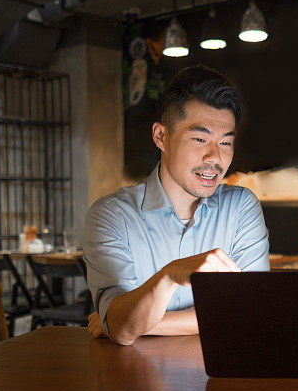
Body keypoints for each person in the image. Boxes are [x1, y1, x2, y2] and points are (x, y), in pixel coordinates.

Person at [84, 65, 270, 345]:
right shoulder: (111, 215)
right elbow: (122, 329)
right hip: (135, 381)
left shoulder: (241, 207)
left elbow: (250, 311)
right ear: (161, 136)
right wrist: (169, 277)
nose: (215, 158)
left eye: (226, 142)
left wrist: (137, 323)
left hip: (220, 379)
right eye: (200, 139)